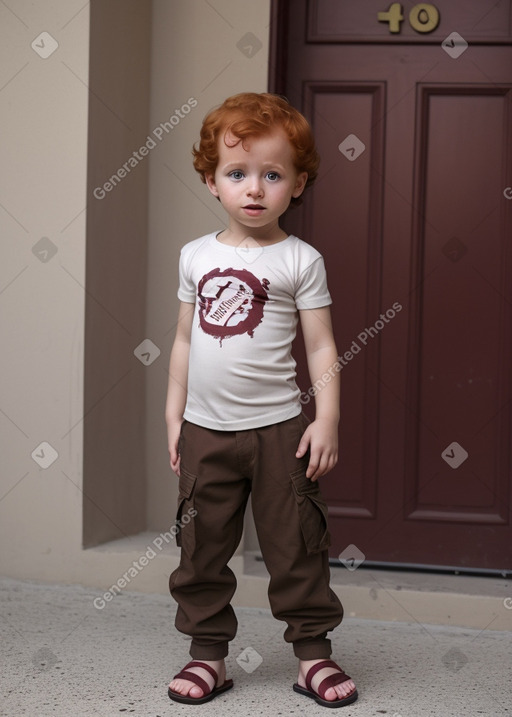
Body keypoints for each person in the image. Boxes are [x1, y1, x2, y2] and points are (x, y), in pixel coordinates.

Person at [165, 92, 358, 708]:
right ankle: (209, 658)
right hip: (205, 432)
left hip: (279, 431)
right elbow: (181, 342)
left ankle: (313, 657)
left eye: (272, 175)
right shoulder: (196, 256)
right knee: (201, 548)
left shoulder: (300, 259)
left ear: (297, 183)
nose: (254, 189)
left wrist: (326, 418)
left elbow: (323, 347)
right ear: (211, 179)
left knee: (297, 545)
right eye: (237, 173)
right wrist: (173, 416)